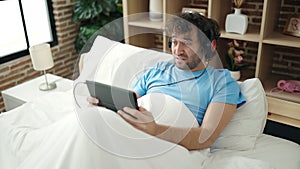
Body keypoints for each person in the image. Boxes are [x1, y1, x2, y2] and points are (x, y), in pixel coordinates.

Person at [88, 12, 246, 151]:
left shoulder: (222, 83)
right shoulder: (157, 70)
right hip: (135, 135)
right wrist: (105, 105)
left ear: (210, 46)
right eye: (175, 42)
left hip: (174, 146)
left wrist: (155, 130)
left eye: (187, 43)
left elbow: (206, 136)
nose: (177, 50)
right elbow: (129, 105)